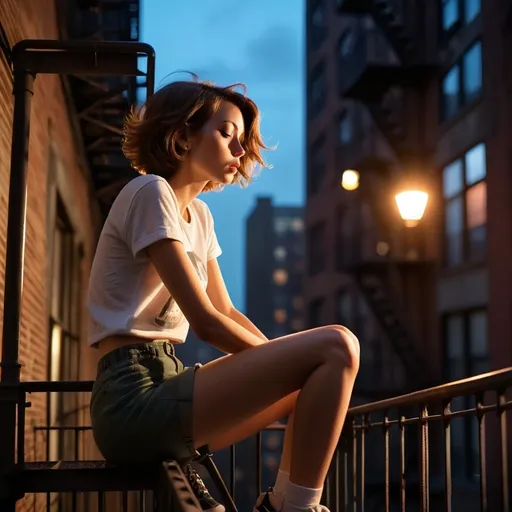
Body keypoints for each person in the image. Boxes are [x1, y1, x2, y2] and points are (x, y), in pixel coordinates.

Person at [87, 78, 360, 512]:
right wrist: (280, 361)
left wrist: (281, 364)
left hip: (167, 381)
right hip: (131, 396)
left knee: (302, 385)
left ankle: (283, 503)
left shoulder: (200, 215)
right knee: (338, 345)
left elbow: (226, 308)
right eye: (226, 133)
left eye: (241, 140)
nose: (239, 150)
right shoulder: (149, 191)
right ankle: (299, 509)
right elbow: (206, 320)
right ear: (182, 135)